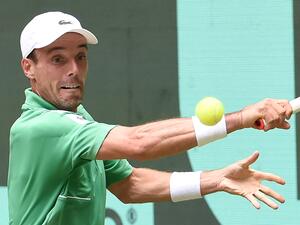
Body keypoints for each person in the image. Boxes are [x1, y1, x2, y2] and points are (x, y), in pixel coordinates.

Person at [8, 11, 293, 225]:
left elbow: (130, 185)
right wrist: (241, 118)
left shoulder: (78, 119)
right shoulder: (40, 127)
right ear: (28, 68)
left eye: (80, 57)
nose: (73, 69)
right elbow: (139, 143)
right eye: (58, 59)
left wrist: (216, 179)